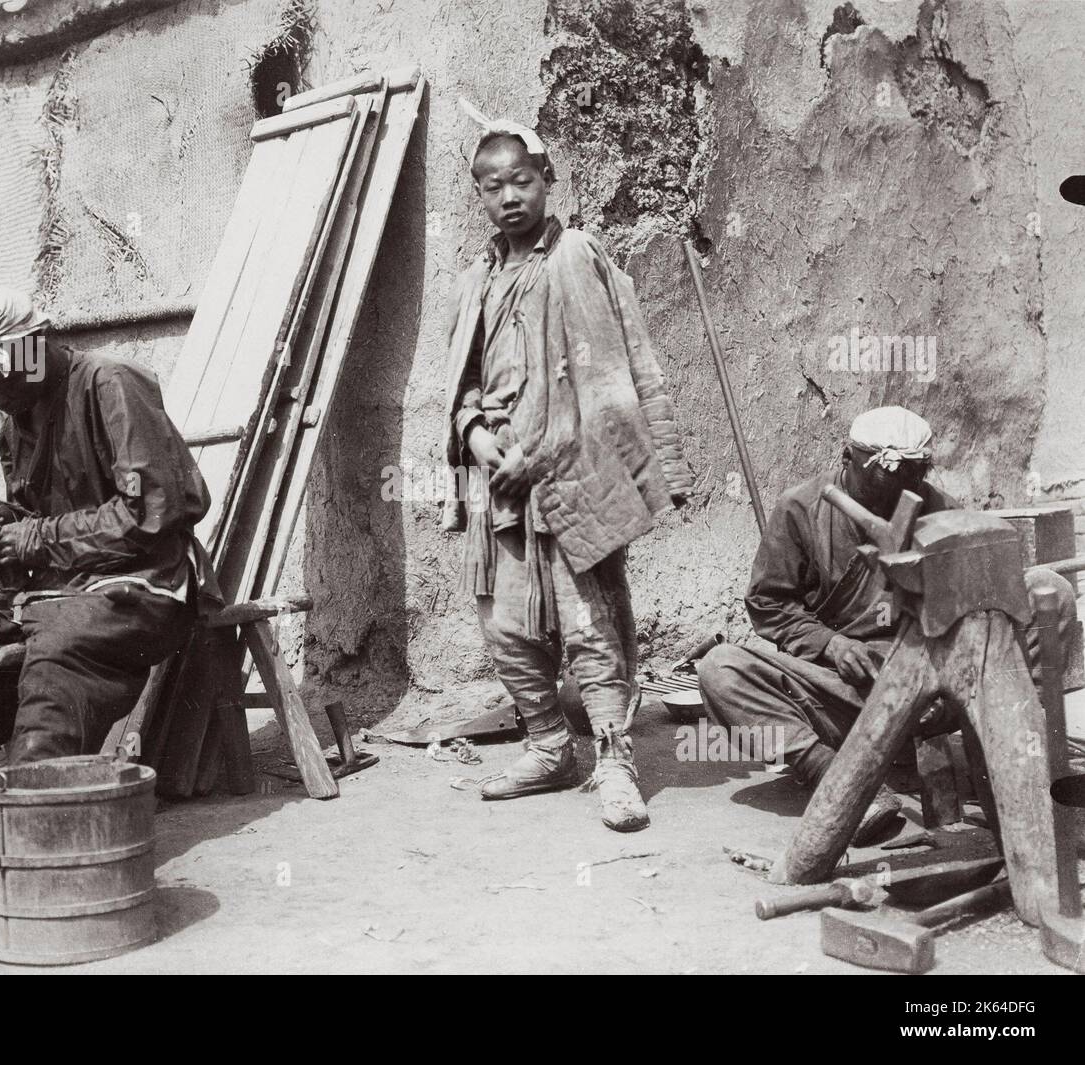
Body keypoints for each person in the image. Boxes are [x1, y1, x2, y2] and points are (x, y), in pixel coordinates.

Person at [0, 289, 219, 840]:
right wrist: (0, 532)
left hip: (145, 591)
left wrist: (34, 537)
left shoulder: (111, 383)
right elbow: (32, 538)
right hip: (55, 596)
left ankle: (31, 844)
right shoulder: (16, 417)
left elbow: (154, 510)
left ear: (37, 347)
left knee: (55, 659)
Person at [442, 101, 692, 832]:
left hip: (569, 474)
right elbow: (459, 385)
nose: (509, 196)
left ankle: (615, 760)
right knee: (505, 625)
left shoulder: (576, 257)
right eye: (492, 186)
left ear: (548, 178)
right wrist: (478, 439)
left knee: (590, 623)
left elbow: (604, 375)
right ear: (480, 196)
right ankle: (551, 745)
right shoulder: (474, 282)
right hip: (501, 486)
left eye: (521, 179)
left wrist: (543, 451)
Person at [697, 405, 1077, 845]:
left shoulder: (939, 511)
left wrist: (945, 676)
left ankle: (1011, 747)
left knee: (1048, 590)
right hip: (848, 691)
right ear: (847, 458)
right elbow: (768, 604)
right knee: (721, 668)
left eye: (911, 478)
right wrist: (831, 645)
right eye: (881, 480)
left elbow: (978, 611)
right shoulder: (800, 509)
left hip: (934, 685)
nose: (896, 493)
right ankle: (831, 777)